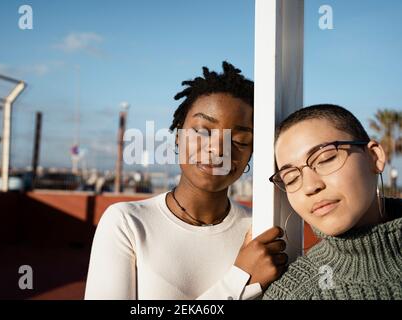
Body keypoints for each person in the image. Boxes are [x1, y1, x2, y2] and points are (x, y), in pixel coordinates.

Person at [84, 62, 287, 300]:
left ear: (251, 153)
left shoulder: (260, 232)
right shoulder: (128, 223)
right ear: (178, 136)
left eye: (240, 140)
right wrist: (240, 281)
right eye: (202, 131)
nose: (217, 149)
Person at [264, 104, 402, 300]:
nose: (310, 186)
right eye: (291, 178)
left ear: (374, 156)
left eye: (325, 159)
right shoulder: (292, 294)